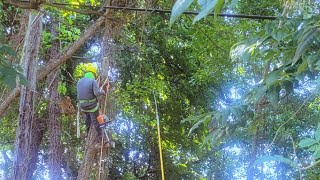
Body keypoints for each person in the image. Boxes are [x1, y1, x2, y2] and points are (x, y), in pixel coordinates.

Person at [77, 68, 104, 138]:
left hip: (82, 106)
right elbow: (97, 93)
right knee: (95, 120)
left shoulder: (79, 81)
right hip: (91, 106)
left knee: (87, 117)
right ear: (93, 74)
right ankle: (100, 136)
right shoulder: (93, 81)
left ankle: (88, 131)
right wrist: (102, 92)